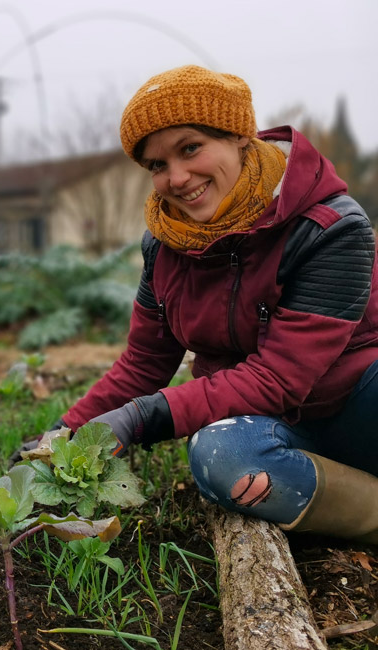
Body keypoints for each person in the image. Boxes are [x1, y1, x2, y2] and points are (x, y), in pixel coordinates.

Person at [40, 65, 378, 543]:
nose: (177, 178)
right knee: (221, 456)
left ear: (240, 136)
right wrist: (64, 432)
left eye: (190, 148)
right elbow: (143, 363)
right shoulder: (164, 246)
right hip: (277, 429)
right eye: (157, 165)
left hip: (359, 408)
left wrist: (143, 416)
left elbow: (279, 378)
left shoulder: (329, 230)